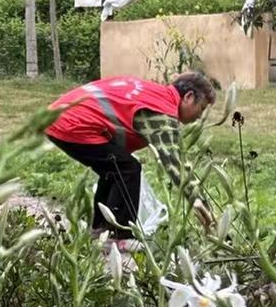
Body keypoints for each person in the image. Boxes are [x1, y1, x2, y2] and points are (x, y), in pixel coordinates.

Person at [46, 72, 216, 243]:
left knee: (115, 168)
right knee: (128, 169)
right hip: (73, 124)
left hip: (58, 117)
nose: (200, 116)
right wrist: (202, 206)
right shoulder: (160, 110)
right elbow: (175, 164)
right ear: (188, 96)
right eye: (201, 108)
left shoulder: (155, 95)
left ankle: (100, 230)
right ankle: (118, 236)